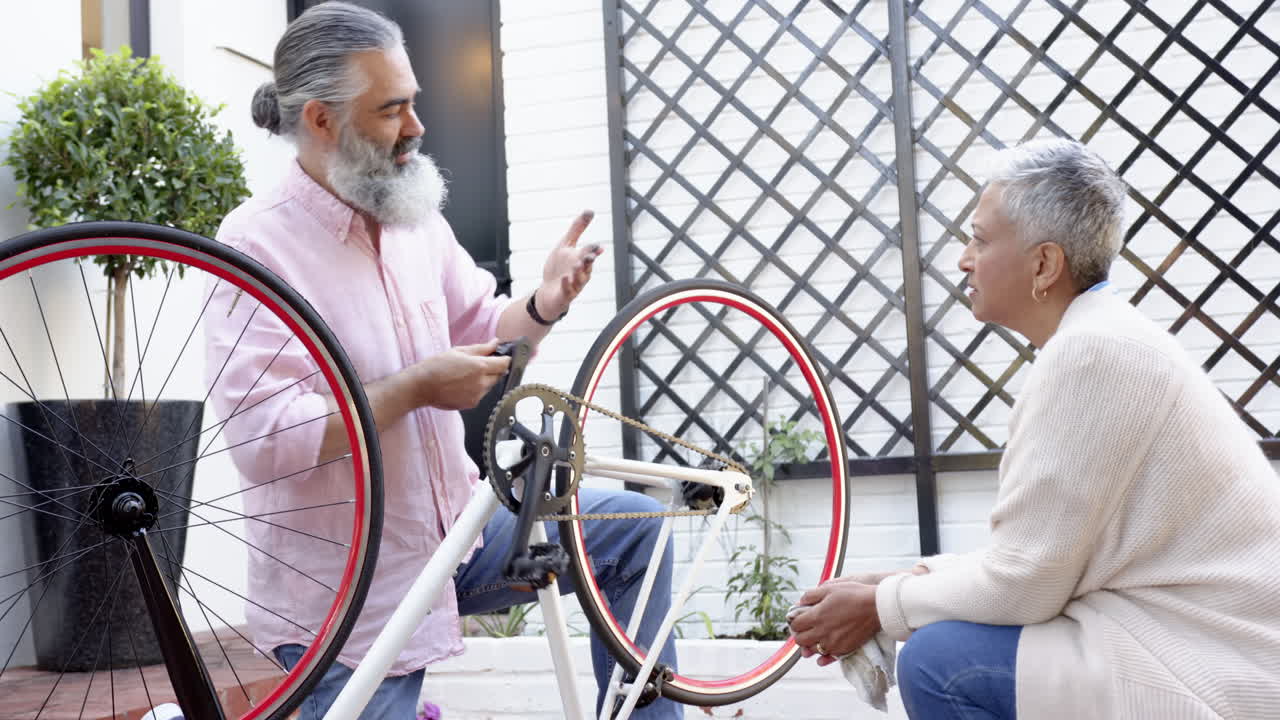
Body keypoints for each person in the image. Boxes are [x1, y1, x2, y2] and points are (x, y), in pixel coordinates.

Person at [203, 3, 679, 718]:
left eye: (413, 102)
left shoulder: (412, 216)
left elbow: (486, 328)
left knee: (632, 533)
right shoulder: (255, 245)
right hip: (344, 597)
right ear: (322, 121)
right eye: (392, 110)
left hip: (457, 535)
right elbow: (267, 439)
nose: (417, 128)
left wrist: (544, 303)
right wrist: (417, 387)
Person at [789, 137, 1280, 719]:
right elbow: (1037, 559)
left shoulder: (1092, 354)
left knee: (941, 662)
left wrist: (880, 605)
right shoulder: (1100, 338)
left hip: (1212, 662)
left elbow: (1024, 585)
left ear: (1044, 264)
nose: (963, 258)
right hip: (1196, 643)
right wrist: (901, 580)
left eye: (979, 238)